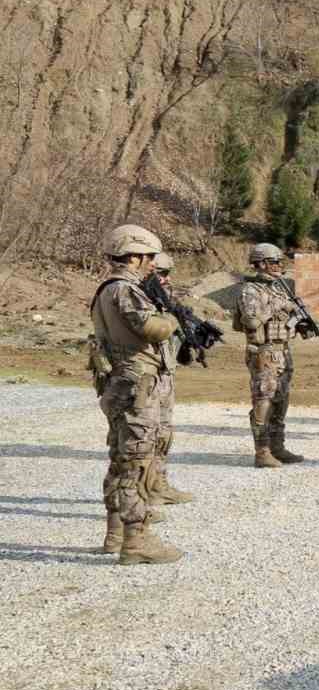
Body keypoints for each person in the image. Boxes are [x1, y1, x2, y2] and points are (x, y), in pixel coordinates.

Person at [89, 225, 182, 564]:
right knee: (136, 467)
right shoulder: (124, 290)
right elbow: (151, 328)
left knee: (121, 462)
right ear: (133, 255)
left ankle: (115, 535)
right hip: (136, 387)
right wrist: (172, 318)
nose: (151, 265)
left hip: (124, 384)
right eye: (148, 258)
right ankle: (136, 542)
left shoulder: (110, 289)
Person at [237, 243, 308, 468]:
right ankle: (262, 451)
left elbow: (284, 318)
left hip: (282, 351)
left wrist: (297, 317)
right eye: (275, 261)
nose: (279, 266)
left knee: (281, 400)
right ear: (262, 264)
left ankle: (278, 447)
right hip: (263, 352)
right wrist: (278, 305)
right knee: (263, 401)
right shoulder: (250, 290)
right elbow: (251, 321)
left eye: (279, 262)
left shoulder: (278, 289)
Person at [141, 252, 197, 504]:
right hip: (145, 374)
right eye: (162, 273)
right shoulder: (137, 296)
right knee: (145, 437)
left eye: (168, 273)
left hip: (164, 370)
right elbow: (152, 330)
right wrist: (174, 317)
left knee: (163, 432)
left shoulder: (160, 298)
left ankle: (158, 485)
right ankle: (143, 494)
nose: (167, 279)